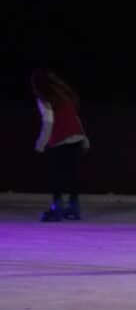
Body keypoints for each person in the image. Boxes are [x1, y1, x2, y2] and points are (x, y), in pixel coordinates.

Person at [31, 69, 89, 222]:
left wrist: (41, 143)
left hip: (60, 139)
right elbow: (74, 116)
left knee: (56, 175)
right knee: (72, 175)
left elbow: (49, 121)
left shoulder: (44, 98)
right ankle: (74, 207)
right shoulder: (64, 93)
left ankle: (57, 208)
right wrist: (84, 136)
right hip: (76, 136)